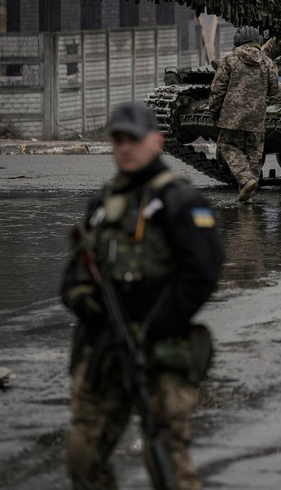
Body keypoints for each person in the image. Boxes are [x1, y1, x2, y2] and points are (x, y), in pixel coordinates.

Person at [61, 101, 225, 490]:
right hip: (107, 346)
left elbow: (203, 272)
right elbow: (74, 275)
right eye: (117, 140)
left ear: (156, 141)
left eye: (133, 139)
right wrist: (86, 301)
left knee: (166, 460)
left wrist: (157, 322)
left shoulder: (179, 200)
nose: (125, 148)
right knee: (84, 454)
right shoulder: (103, 203)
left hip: (162, 349)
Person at [209, 25, 281, 203]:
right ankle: (249, 191)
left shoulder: (229, 60)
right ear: (258, 42)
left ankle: (245, 180)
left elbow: (218, 90)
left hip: (231, 117)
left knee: (227, 145)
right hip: (256, 118)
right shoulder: (268, 62)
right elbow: (274, 91)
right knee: (254, 153)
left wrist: (213, 111)